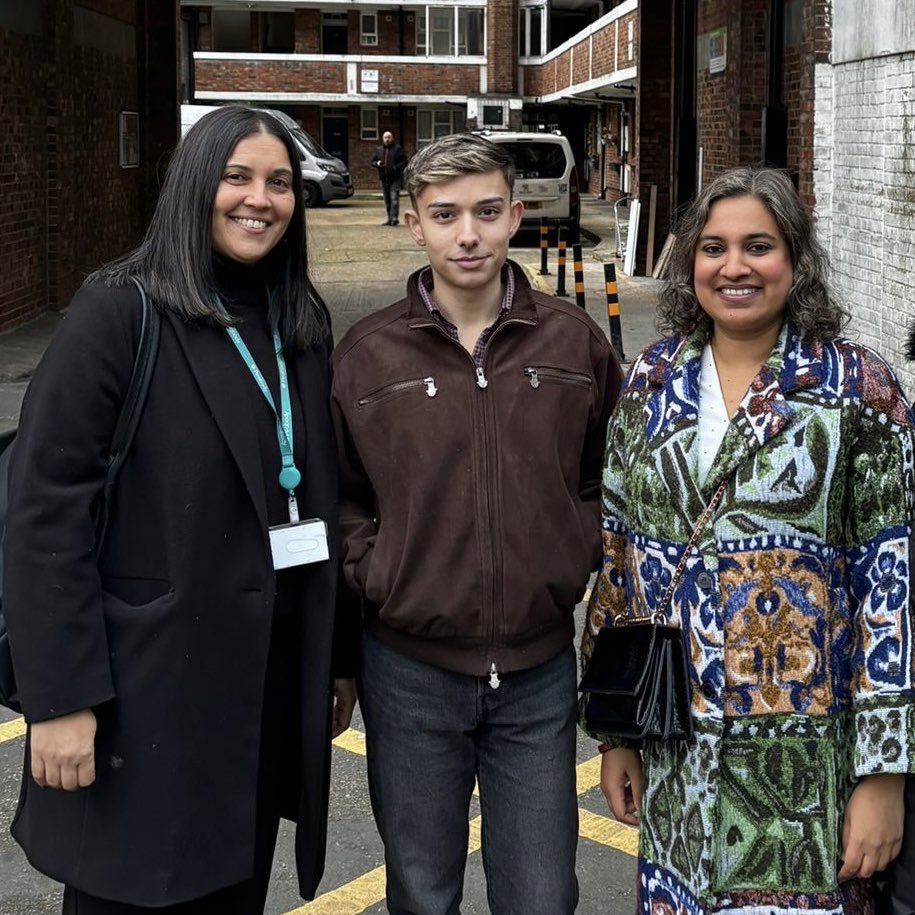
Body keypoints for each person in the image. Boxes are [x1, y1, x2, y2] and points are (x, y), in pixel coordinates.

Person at [2, 105, 358, 914]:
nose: (260, 199)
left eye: (279, 182)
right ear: (195, 185)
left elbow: (321, 499)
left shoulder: (299, 325)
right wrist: (60, 699)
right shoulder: (118, 311)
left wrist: (332, 658)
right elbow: (45, 515)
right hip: (141, 699)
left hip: (257, 700)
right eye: (237, 177)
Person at [581, 165, 915, 915]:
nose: (733, 266)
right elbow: (619, 565)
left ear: (795, 259)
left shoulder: (856, 391)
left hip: (808, 774)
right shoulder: (651, 382)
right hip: (677, 761)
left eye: (757, 246)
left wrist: (884, 773)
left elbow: (893, 589)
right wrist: (615, 733)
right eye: (714, 248)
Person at [331, 132, 621, 915]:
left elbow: (607, 474)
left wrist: (574, 544)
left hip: (536, 672)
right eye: (445, 214)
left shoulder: (572, 343)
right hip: (409, 673)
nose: (468, 234)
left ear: (515, 216)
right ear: (414, 224)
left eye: (487, 212)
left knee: (540, 895)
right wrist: (377, 567)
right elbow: (343, 494)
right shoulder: (366, 355)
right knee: (422, 893)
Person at [370, 130, 408, 225]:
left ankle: (394, 218)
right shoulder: (379, 150)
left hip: (395, 178)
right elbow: (372, 161)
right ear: (383, 139)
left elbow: (404, 161)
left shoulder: (398, 149)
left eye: (389, 137)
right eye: (385, 138)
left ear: (392, 138)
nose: (387, 139)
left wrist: (395, 168)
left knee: (394, 198)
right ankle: (389, 218)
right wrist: (377, 163)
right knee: (387, 199)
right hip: (384, 178)